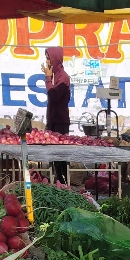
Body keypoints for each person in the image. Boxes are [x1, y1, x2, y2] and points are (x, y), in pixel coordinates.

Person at [43, 46, 71, 182]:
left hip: (60, 123)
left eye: (49, 58)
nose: (47, 62)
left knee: (61, 157)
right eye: (46, 58)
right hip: (53, 121)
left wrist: (47, 78)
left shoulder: (63, 77)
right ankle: (59, 183)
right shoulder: (55, 76)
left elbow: (53, 96)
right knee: (55, 157)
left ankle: (64, 183)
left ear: (55, 59)